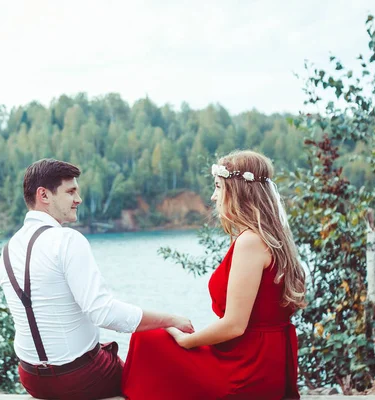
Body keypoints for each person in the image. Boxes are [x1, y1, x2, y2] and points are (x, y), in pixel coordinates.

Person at [0, 158, 194, 400]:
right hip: (78, 377)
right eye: (70, 191)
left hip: (30, 378)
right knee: (152, 365)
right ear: (44, 195)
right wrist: (170, 319)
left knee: (104, 349)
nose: (78, 199)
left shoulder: (8, 249)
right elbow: (103, 313)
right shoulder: (67, 240)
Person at [122, 150, 307, 400]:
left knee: (146, 338)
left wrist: (187, 341)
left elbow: (234, 325)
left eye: (219, 187)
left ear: (239, 192)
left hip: (248, 369)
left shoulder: (250, 242)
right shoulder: (271, 239)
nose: (213, 195)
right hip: (262, 359)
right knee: (156, 335)